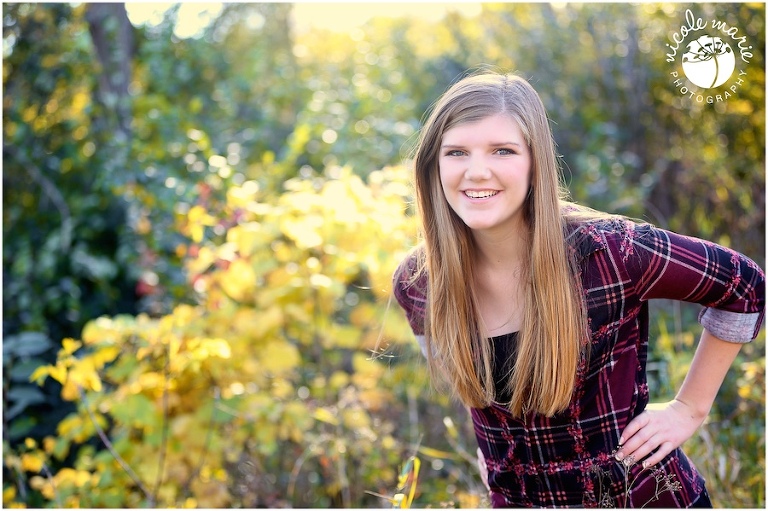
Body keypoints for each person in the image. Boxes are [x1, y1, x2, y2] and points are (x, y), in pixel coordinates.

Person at [391, 72, 765, 508]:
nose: (477, 171)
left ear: (535, 162)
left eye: (502, 151)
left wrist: (689, 409)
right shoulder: (420, 283)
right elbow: (463, 379)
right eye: (456, 152)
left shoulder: (609, 252)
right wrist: (490, 449)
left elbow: (745, 284)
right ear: (433, 165)